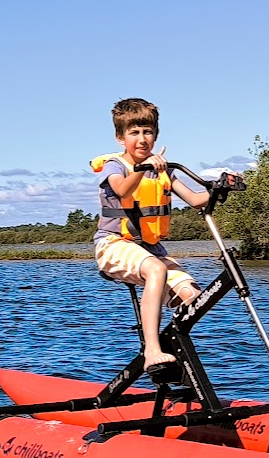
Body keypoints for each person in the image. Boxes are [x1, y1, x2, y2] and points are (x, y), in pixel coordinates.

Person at [90, 97, 211, 371]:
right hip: (113, 245)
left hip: (151, 249)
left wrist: (220, 190)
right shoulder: (116, 165)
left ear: (156, 135)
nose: (142, 139)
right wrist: (143, 169)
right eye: (134, 133)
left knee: (194, 297)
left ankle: (174, 358)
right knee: (156, 269)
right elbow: (121, 189)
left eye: (148, 132)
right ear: (121, 138)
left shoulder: (163, 169)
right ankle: (152, 350)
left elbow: (194, 199)